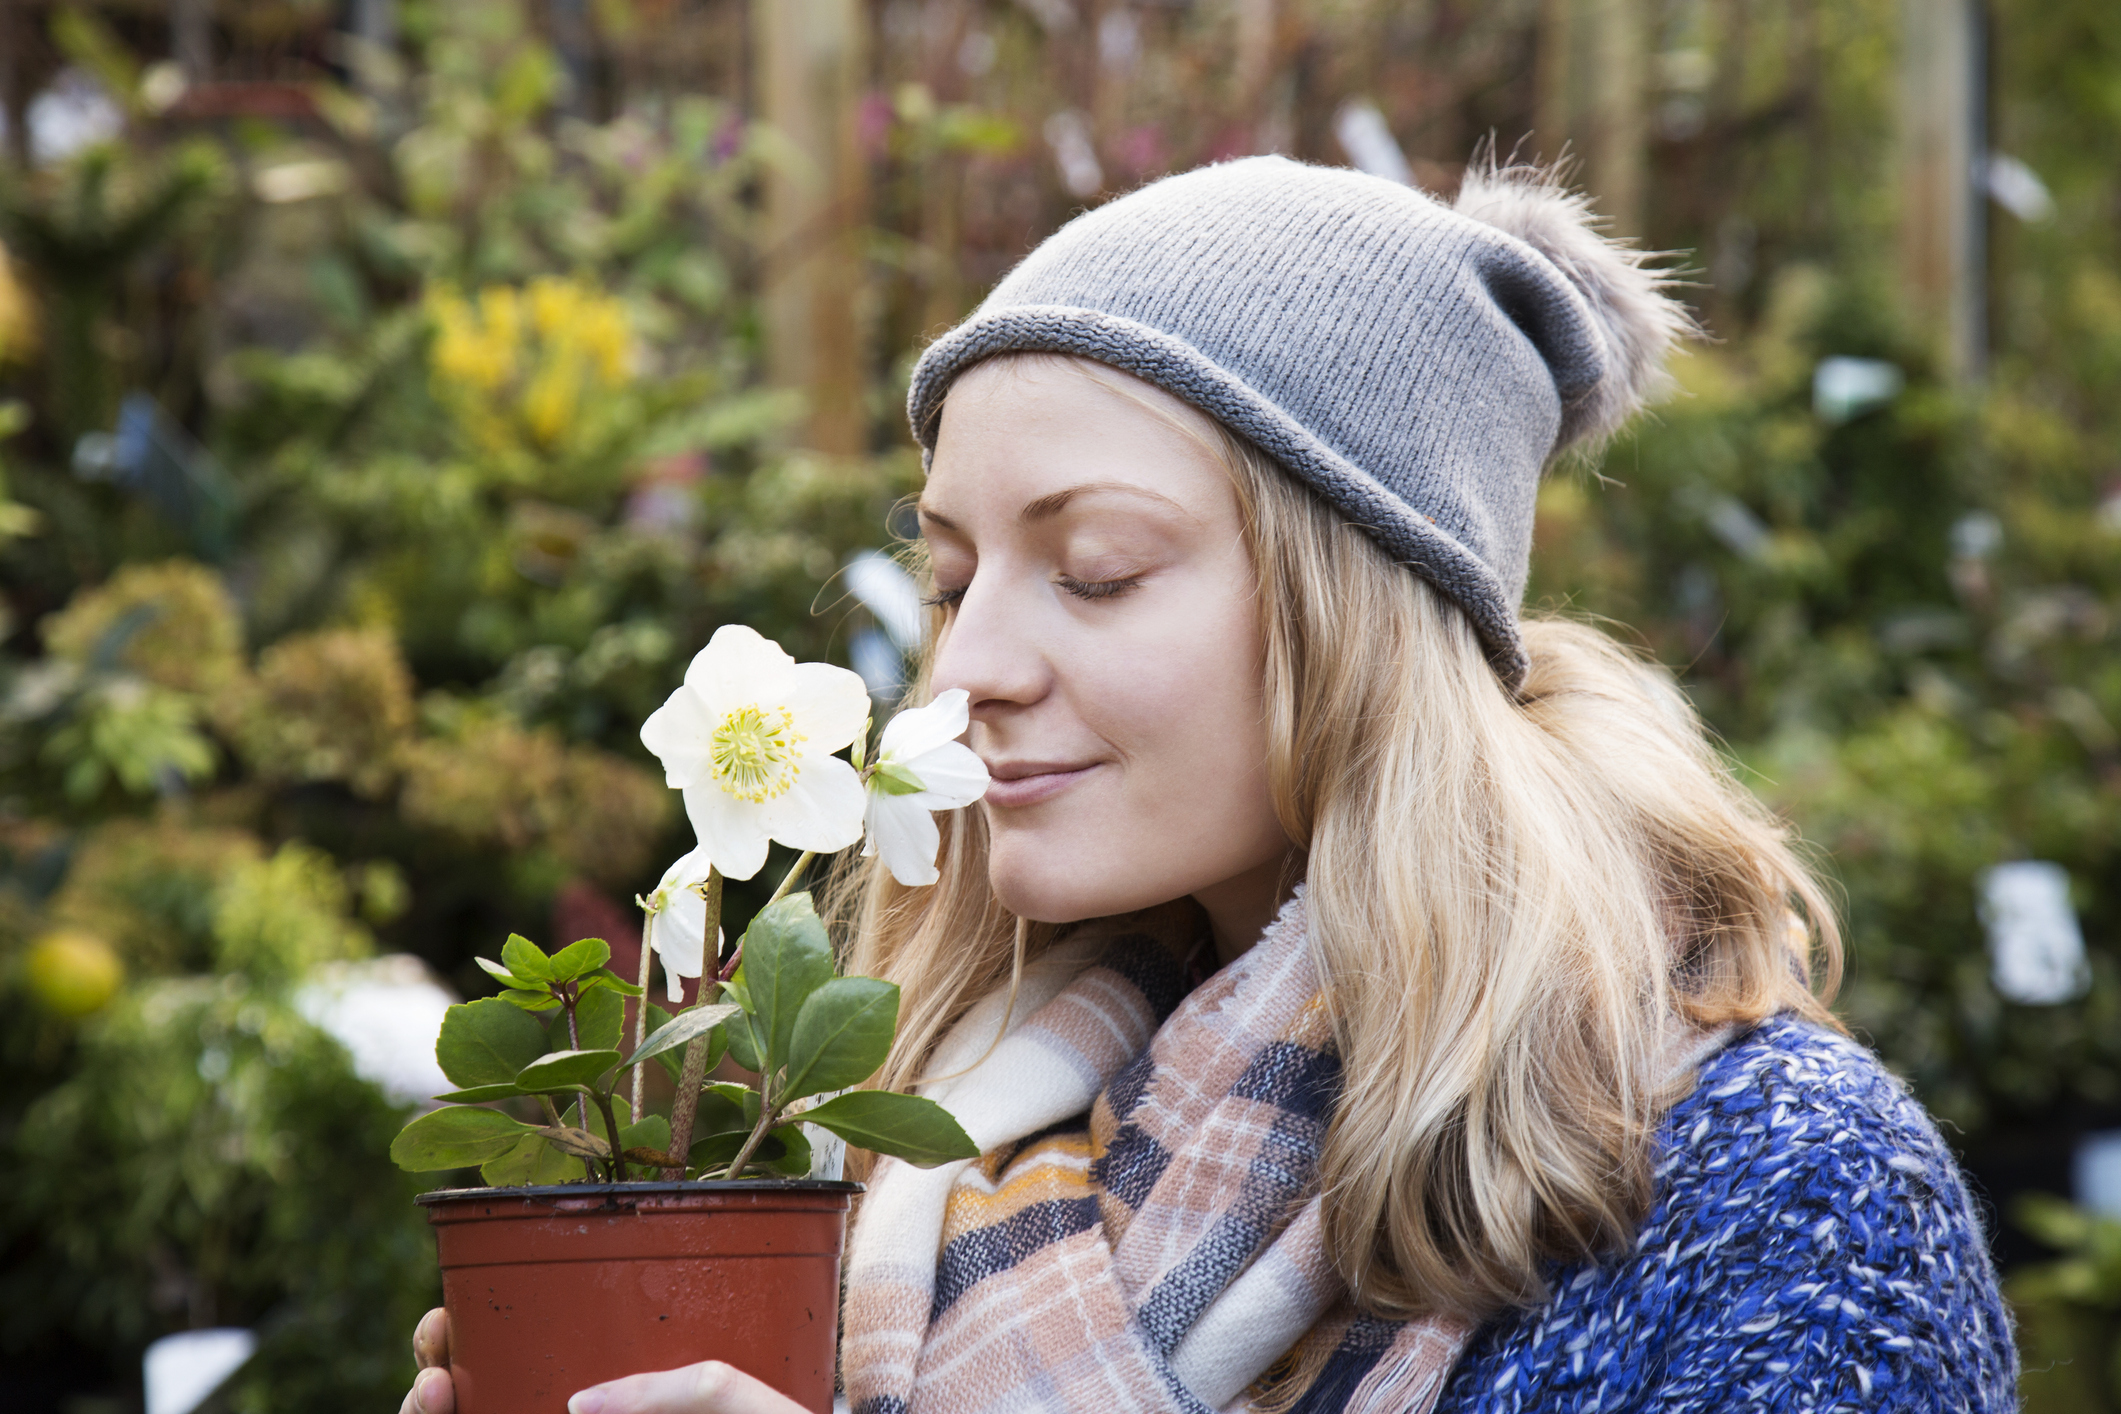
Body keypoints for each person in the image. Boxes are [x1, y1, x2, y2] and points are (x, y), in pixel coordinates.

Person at [401, 156, 2018, 1414]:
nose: (967, 671)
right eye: (953, 577)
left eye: (1094, 569)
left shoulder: (1774, 1188)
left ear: (1363, 611)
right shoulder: (915, 1152)